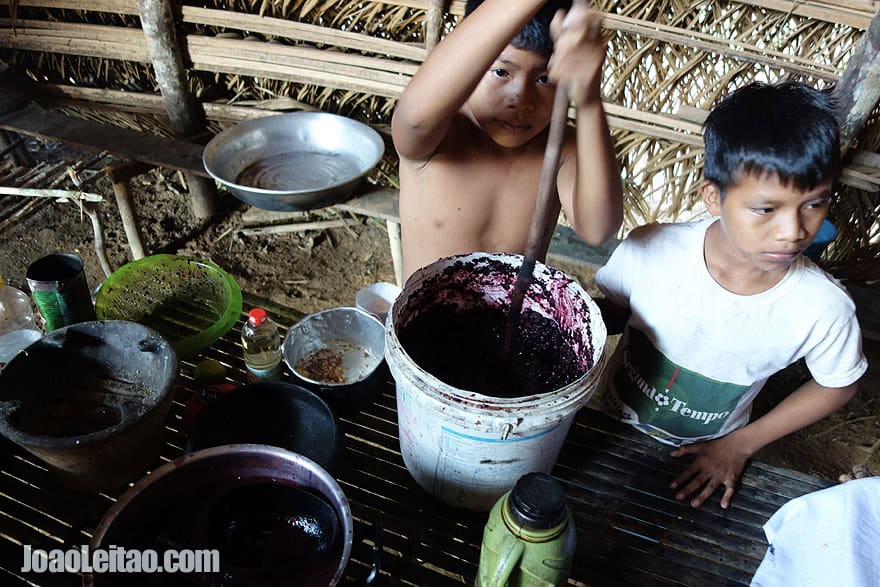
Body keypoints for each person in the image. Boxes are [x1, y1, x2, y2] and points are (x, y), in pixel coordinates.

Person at [594, 81, 868, 509]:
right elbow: (609, 310)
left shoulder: (822, 308)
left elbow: (838, 383)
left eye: (814, 204)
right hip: (601, 416)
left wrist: (740, 445)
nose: (794, 231)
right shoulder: (650, 250)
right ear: (713, 197)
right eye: (766, 209)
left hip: (702, 453)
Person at [391, 0, 623, 280]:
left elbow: (598, 228)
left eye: (544, 78)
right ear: (473, 64)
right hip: (421, 322)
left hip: (515, 323)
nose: (520, 99)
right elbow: (414, 118)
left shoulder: (562, 149)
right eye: (501, 72)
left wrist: (589, 100)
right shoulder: (437, 135)